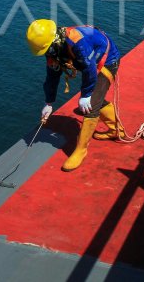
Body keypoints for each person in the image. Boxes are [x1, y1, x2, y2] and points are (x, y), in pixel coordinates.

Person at [26, 19, 122, 172]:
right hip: (90, 61)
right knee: (94, 100)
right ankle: (116, 130)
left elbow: (89, 68)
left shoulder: (77, 41)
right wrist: (48, 102)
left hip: (107, 60)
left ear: (52, 41)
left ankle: (81, 150)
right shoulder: (52, 47)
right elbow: (52, 75)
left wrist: (86, 94)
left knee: (90, 105)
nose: (45, 54)